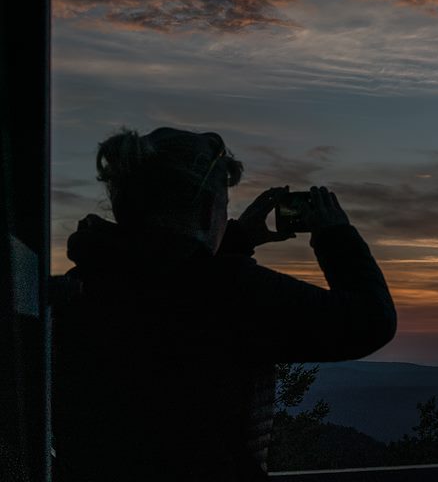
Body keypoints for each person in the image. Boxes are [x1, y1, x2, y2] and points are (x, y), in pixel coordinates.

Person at [50, 127, 397, 481]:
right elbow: (370, 320)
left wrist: (236, 239)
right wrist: (336, 235)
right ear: (205, 210)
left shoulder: (85, 283)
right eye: (223, 206)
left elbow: (174, 279)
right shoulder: (230, 291)